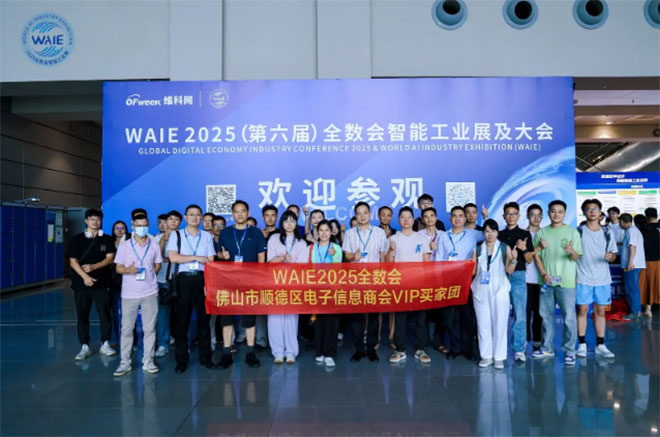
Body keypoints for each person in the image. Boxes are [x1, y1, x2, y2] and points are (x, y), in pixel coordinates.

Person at [166, 205, 217, 373]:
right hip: (184, 281)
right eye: (191, 215)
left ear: (201, 217)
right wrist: (195, 257)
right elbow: (173, 257)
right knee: (182, 322)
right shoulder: (176, 235)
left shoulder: (207, 236)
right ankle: (181, 361)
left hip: (202, 279)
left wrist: (208, 284)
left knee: (204, 322)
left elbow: (210, 260)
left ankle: (206, 358)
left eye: (198, 215)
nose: (195, 217)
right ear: (186, 217)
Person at [217, 200, 267, 369]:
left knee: (249, 319)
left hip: (250, 282)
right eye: (236, 211)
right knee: (227, 319)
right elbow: (219, 253)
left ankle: (250, 353)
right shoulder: (225, 232)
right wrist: (222, 256)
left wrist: (260, 280)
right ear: (232, 214)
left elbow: (261, 258)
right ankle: (226, 354)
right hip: (228, 282)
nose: (240, 214)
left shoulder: (256, 232)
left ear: (248, 213)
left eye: (243, 211)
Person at [533, 200, 582, 366]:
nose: (556, 214)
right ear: (548, 213)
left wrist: (571, 251)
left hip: (566, 282)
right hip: (546, 282)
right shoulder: (542, 232)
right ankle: (547, 348)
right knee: (546, 317)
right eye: (553, 211)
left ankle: (570, 351)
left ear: (565, 213)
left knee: (569, 318)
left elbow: (576, 257)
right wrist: (543, 274)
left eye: (560, 211)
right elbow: (537, 257)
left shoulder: (572, 232)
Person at [113, 214, 163, 376]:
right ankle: (124, 362)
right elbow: (118, 268)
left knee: (150, 329)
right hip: (129, 294)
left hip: (150, 293)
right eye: (139, 225)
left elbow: (157, 265)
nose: (142, 228)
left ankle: (148, 360)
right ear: (133, 226)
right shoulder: (125, 246)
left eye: (145, 225)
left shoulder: (154, 245)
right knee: (127, 329)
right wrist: (129, 270)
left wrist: (150, 277)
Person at [342, 201, 389, 362]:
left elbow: (383, 257)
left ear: (370, 214)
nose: (362, 216)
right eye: (359, 213)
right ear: (355, 215)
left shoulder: (379, 233)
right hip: (356, 279)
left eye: (365, 213)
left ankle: (371, 349)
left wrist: (383, 278)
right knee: (356, 317)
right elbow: (346, 255)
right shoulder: (349, 233)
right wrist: (352, 257)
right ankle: (359, 350)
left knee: (374, 316)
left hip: (374, 279)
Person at [68, 208, 117, 360]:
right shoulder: (76, 240)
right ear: (86, 221)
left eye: (98, 219)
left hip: (103, 283)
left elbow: (110, 258)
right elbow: (73, 261)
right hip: (82, 284)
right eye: (92, 219)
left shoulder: (107, 239)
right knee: (82, 315)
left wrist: (94, 267)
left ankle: (105, 343)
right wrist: (85, 277)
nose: (95, 222)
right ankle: (85, 346)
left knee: (105, 314)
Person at [387, 206, 432, 364]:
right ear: (398, 220)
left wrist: (427, 282)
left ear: (413, 219)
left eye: (409, 217)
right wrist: (390, 250)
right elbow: (387, 264)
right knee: (400, 319)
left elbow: (427, 262)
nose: (406, 220)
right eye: (403, 217)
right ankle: (400, 350)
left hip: (419, 283)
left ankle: (421, 350)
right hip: (400, 284)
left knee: (421, 319)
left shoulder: (422, 238)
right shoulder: (393, 239)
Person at [575, 199, 617, 360]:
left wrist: (611, 257)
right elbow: (573, 255)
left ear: (600, 212)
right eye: (589, 208)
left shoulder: (607, 232)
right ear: (584, 212)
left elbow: (613, 255)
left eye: (596, 208)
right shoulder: (578, 232)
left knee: (600, 312)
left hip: (602, 279)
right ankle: (582, 345)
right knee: (582, 311)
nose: (592, 211)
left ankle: (600, 345)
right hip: (582, 278)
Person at [471, 219, 516, 369]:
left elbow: (509, 270)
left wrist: (514, 259)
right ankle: (486, 356)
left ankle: (499, 357)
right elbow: (473, 272)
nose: (490, 234)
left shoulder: (504, 248)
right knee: (483, 324)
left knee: (500, 324)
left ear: (497, 232)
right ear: (483, 233)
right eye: (487, 231)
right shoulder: (478, 249)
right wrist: (469, 263)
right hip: (481, 291)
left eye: (493, 231)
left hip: (500, 290)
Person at [266, 211, 308, 363]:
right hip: (275, 283)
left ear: (296, 223)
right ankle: (277, 352)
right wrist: (282, 258)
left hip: (293, 284)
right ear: (282, 223)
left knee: (291, 319)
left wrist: (289, 263)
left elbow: (303, 266)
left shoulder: (301, 242)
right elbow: (269, 262)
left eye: (292, 221)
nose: (289, 224)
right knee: (275, 318)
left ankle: (291, 352)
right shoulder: (274, 239)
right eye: (286, 221)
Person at [440, 206, 480, 360]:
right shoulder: (443, 236)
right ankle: (455, 348)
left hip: (467, 280)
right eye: (454, 216)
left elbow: (492, 234)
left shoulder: (473, 235)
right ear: (450, 218)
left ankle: (468, 349)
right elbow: (438, 259)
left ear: (465, 218)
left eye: (460, 216)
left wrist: (486, 217)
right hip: (449, 281)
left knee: (467, 315)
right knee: (452, 317)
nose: (457, 219)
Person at [497, 202, 535, 362]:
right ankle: (498, 349)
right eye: (508, 214)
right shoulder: (499, 235)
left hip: (518, 276)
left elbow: (529, 260)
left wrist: (523, 248)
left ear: (518, 216)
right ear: (504, 216)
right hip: (500, 276)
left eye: (514, 214)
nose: (511, 217)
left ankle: (519, 349)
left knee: (520, 314)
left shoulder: (525, 234)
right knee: (498, 314)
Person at [310, 220, 343, 367]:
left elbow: (339, 269)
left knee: (332, 322)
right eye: (321, 230)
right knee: (319, 322)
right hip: (316, 289)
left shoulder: (336, 248)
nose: (323, 233)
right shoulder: (311, 248)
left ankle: (330, 354)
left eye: (326, 230)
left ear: (331, 232)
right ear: (317, 232)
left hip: (332, 290)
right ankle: (320, 352)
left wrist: (334, 256)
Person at [154, 209, 181, 357]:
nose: (172, 222)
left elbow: (181, 256)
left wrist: (171, 258)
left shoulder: (183, 236)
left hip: (179, 280)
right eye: (170, 219)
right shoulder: (158, 237)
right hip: (162, 280)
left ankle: (182, 343)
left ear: (180, 222)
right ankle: (163, 344)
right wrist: (165, 237)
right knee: (162, 316)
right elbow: (156, 256)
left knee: (182, 315)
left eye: (176, 219)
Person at [620, 213, 646, 321]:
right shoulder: (632, 230)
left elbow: (632, 246)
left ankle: (635, 312)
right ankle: (635, 311)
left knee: (632, 288)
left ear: (622, 221)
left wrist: (630, 262)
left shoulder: (631, 231)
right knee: (631, 288)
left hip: (632, 265)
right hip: (632, 264)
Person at [525, 204, 544, 352]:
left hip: (542, 280)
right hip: (525, 280)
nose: (536, 218)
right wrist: (538, 248)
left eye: (539, 215)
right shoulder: (522, 235)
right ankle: (524, 341)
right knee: (524, 313)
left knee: (539, 314)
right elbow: (526, 258)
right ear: (527, 216)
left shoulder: (546, 234)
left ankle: (538, 341)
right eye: (533, 215)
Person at [109, 220, 128, 346]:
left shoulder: (130, 243)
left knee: (128, 311)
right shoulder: (108, 243)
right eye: (117, 228)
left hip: (126, 279)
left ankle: (130, 340)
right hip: (111, 281)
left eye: (122, 228)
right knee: (113, 311)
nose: (120, 230)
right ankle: (114, 338)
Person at [641, 207, 659, 316]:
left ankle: (648, 309)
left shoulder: (646, 230)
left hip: (649, 261)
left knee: (649, 285)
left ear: (646, 217)